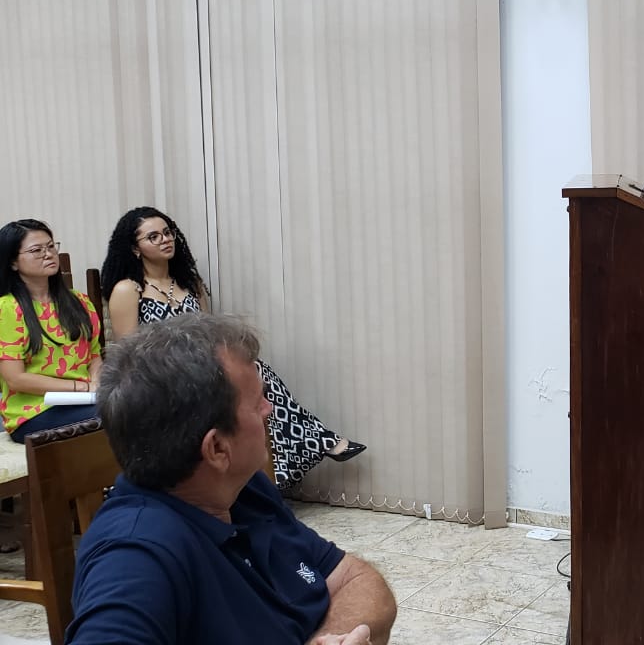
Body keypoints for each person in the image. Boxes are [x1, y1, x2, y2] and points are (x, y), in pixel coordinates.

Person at [67, 313, 396, 644]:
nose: (269, 409)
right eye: (257, 403)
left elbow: (357, 580)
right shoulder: (137, 554)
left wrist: (329, 636)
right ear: (217, 448)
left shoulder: (242, 489)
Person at [100, 207, 365, 490]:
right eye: (153, 237)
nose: (165, 239)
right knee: (252, 378)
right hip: (160, 378)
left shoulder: (190, 284)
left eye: (167, 232)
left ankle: (275, 473)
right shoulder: (129, 290)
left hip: (200, 371)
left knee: (253, 374)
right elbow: (129, 354)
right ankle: (316, 443)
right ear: (135, 248)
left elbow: (209, 335)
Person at [0, 219, 101, 443]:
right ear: (13, 262)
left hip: (85, 400)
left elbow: (94, 356)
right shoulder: (7, 309)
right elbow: (16, 379)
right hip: (34, 412)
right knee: (115, 416)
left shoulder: (80, 301)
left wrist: (96, 383)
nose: (48, 254)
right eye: (36, 250)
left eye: (51, 246)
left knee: (142, 405)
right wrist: (82, 387)